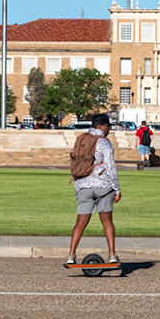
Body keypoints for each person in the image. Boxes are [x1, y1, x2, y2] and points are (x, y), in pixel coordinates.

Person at [67, 113, 121, 265]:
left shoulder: (81, 140)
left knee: (80, 223)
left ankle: (71, 255)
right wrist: (117, 189)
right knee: (107, 222)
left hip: (83, 185)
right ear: (102, 126)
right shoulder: (104, 143)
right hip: (103, 186)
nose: (109, 129)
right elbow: (110, 167)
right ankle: (112, 255)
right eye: (108, 126)